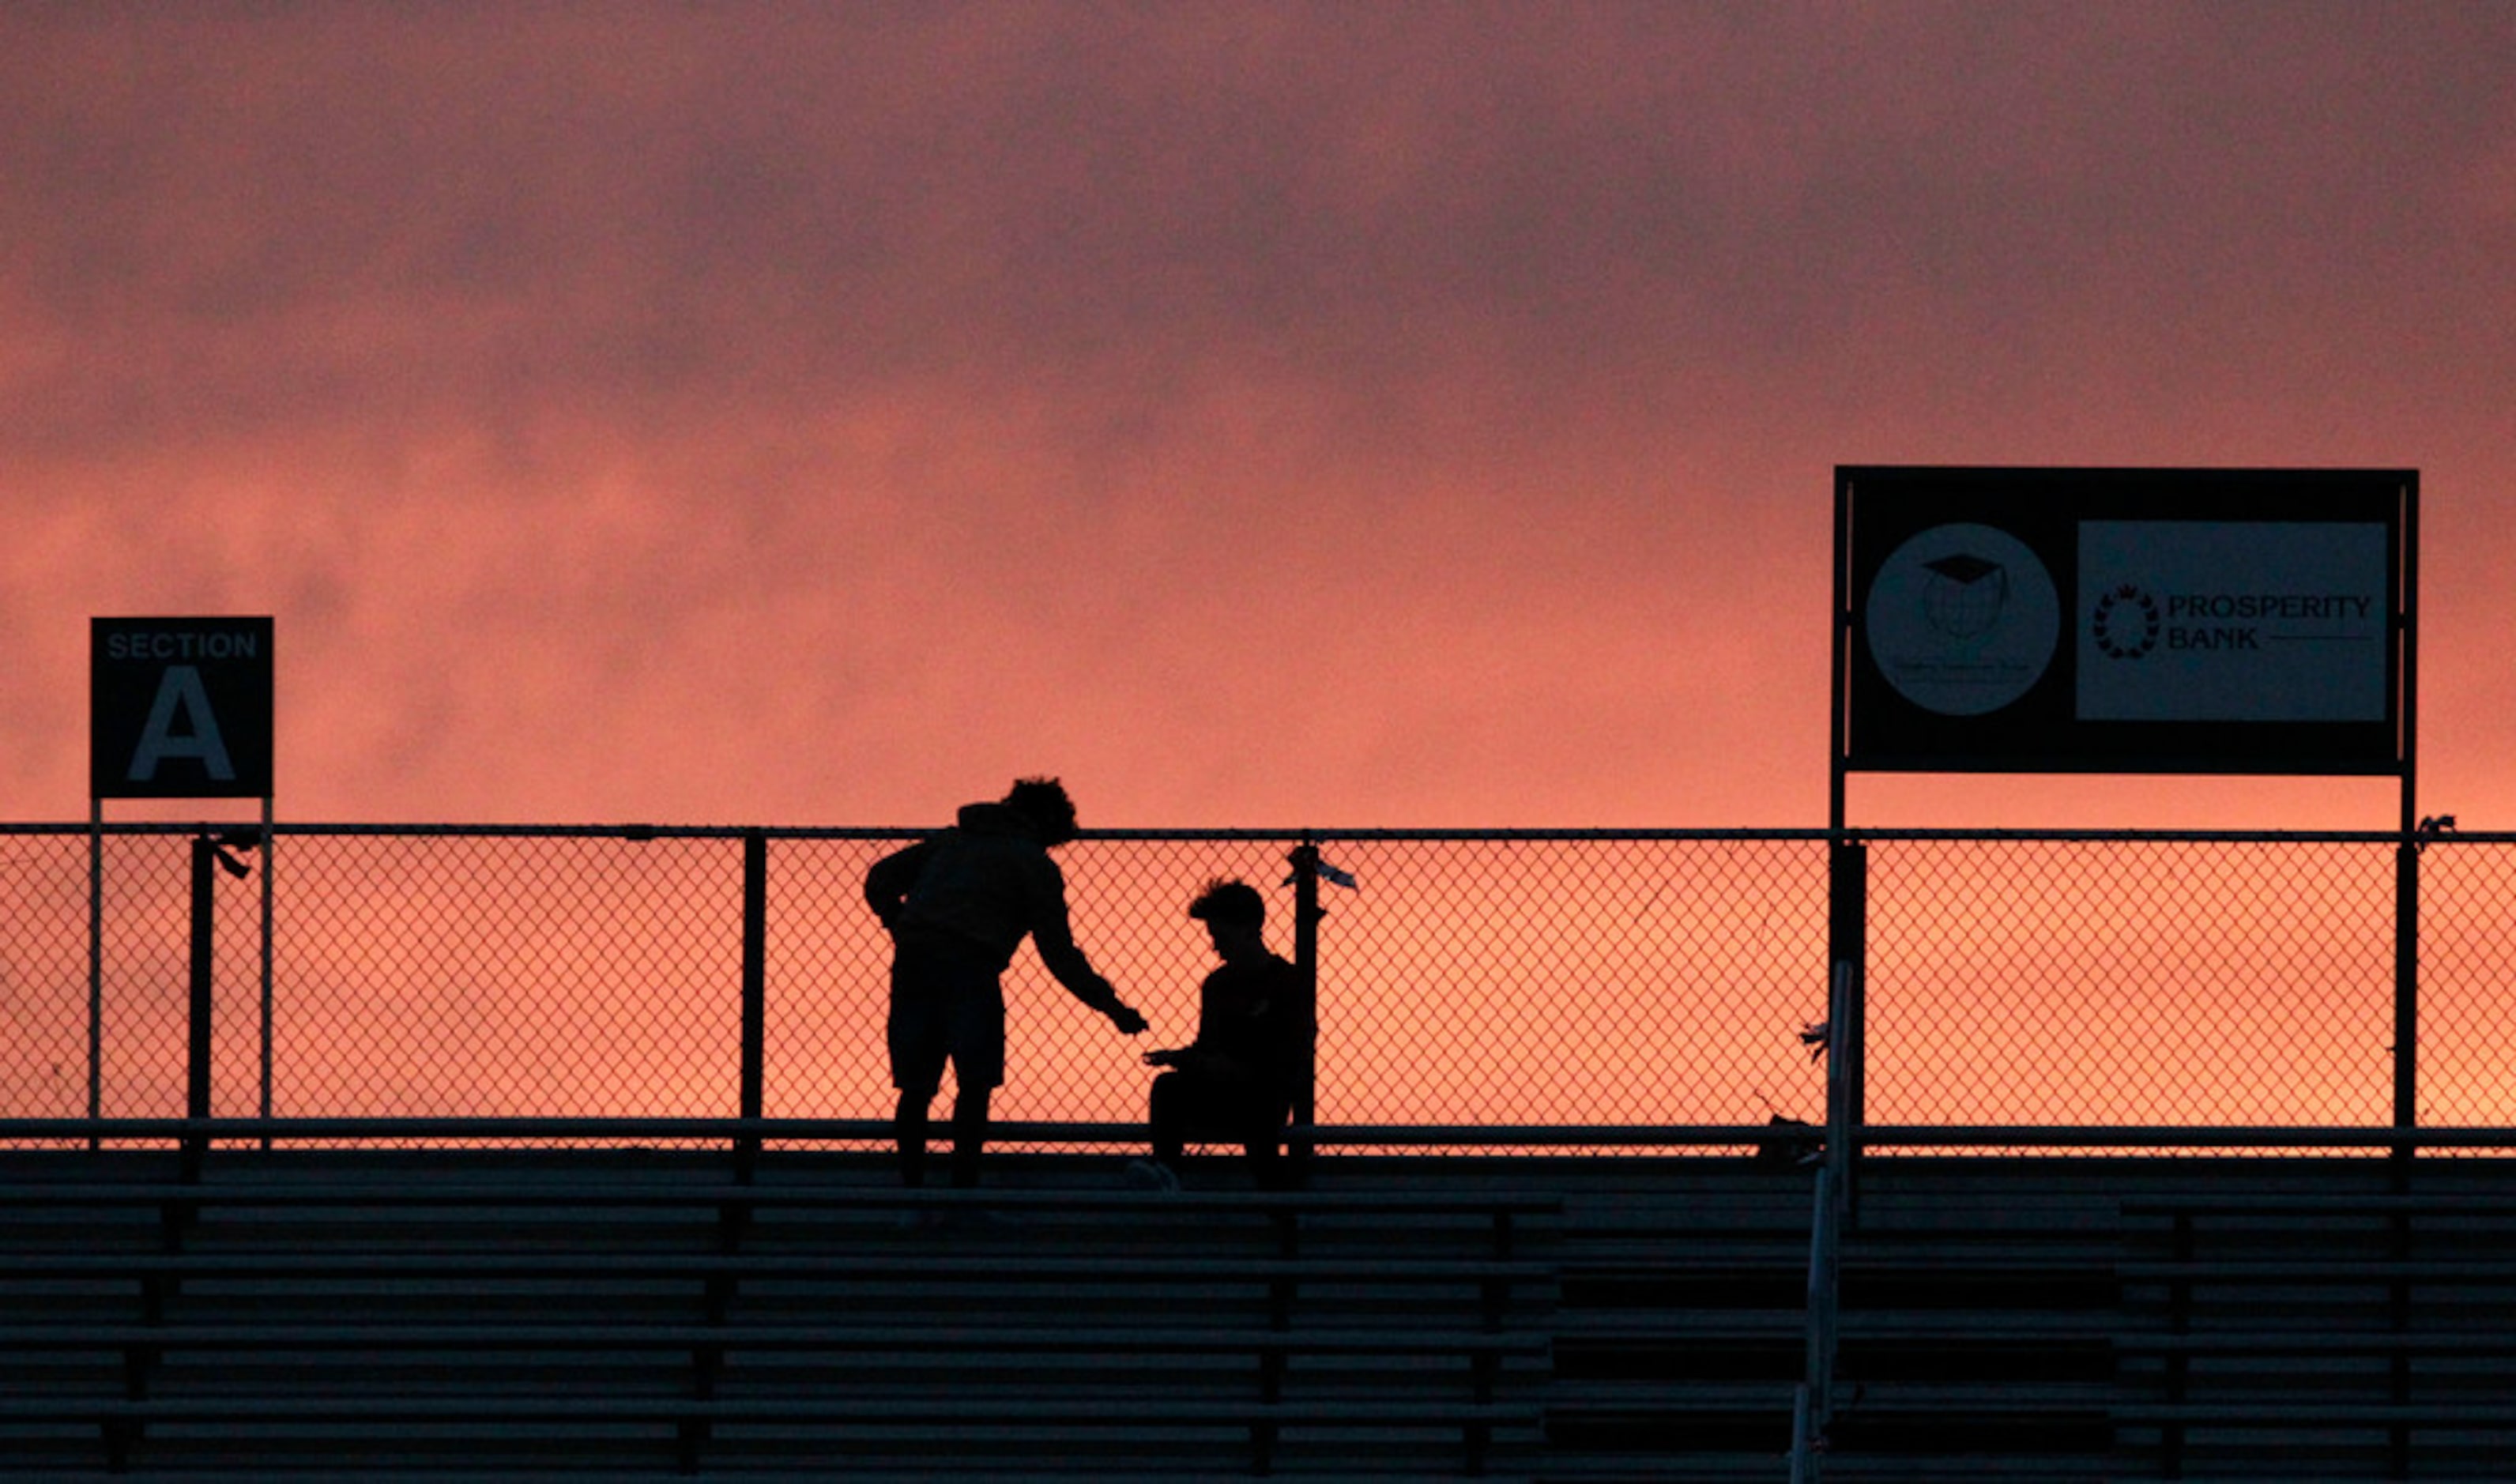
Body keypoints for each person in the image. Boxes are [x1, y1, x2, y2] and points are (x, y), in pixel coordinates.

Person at [865, 777, 1147, 1189]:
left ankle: (911, 1195)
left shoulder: (951, 843)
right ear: (1047, 825)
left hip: (916, 962)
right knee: (975, 1083)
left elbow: (880, 878)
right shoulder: (1032, 864)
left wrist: (900, 925)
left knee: (916, 1086)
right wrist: (1112, 1007)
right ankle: (962, 1195)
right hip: (971, 968)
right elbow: (1059, 954)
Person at [1128, 878, 1309, 1193]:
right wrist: (1185, 1059)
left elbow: (1288, 1057)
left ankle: (1279, 1209)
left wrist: (1224, 1066)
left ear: (1249, 928)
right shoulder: (1217, 985)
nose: (1216, 946)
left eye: (1221, 936)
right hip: (1224, 1093)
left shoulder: (1286, 983)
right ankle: (1166, 1170)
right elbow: (1207, 1048)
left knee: (1263, 1113)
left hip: (1264, 1096)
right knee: (1168, 1087)